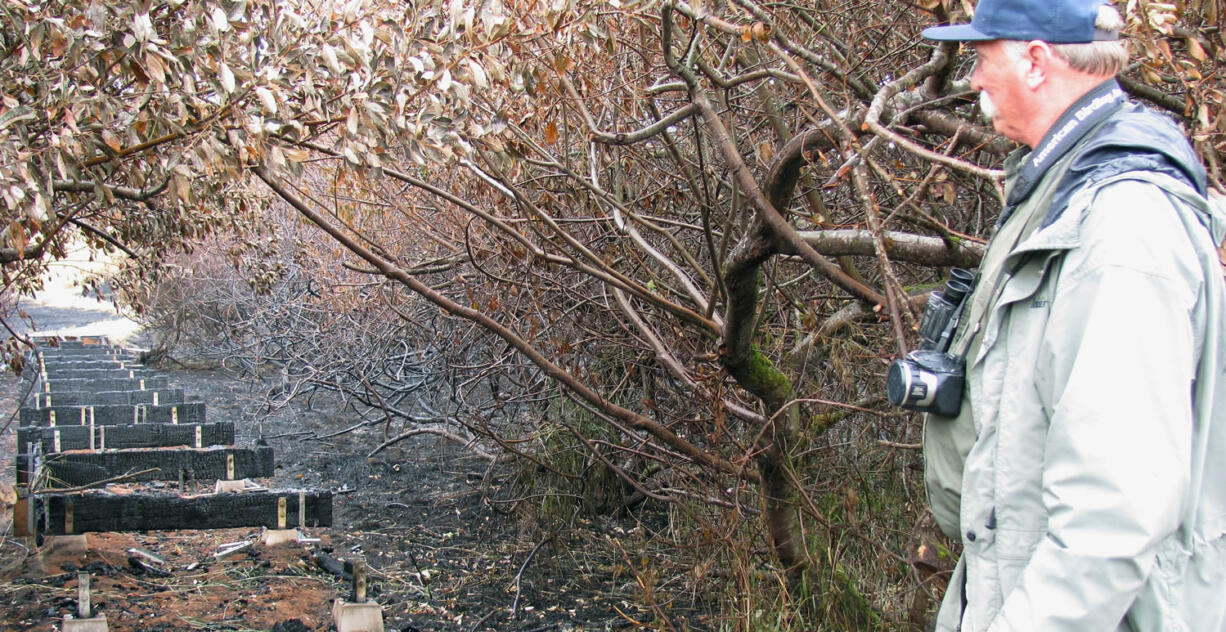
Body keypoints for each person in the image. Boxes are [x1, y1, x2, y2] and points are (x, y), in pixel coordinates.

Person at [918, 0, 1226, 629]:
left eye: (982, 57)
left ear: (1036, 61)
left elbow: (1112, 516)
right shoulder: (1063, 189)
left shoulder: (1123, 228)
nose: (972, 79)